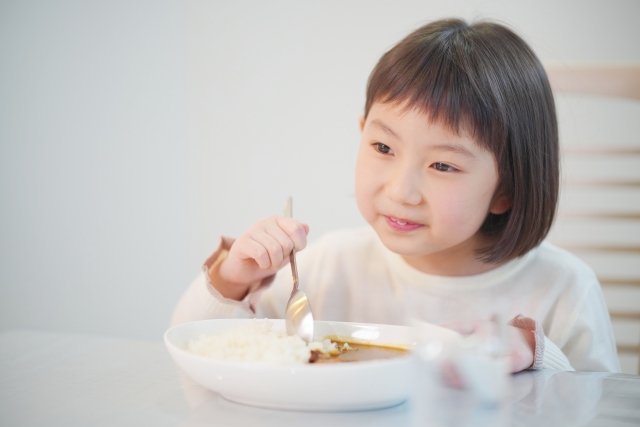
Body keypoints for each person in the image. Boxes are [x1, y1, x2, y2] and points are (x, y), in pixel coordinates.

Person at [171, 19, 620, 373]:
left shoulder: (564, 289)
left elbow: (600, 405)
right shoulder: (325, 270)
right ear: (361, 132)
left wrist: (537, 356)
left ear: (506, 189)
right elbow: (191, 349)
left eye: (443, 165)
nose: (400, 191)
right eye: (383, 148)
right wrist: (232, 279)